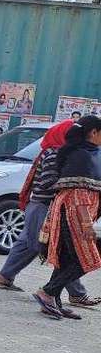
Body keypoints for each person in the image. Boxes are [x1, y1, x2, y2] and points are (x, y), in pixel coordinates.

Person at [0, 119, 99, 306]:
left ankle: (5, 276)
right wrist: (68, 189)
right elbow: (50, 183)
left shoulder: (55, 151)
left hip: (42, 206)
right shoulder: (57, 153)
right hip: (45, 207)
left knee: (29, 245)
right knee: (62, 252)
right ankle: (71, 293)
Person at [33, 116, 101, 319]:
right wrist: (87, 223)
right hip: (74, 214)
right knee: (87, 259)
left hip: (73, 213)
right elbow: (78, 192)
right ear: (93, 132)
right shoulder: (82, 155)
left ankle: (54, 302)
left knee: (66, 258)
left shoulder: (87, 152)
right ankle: (47, 292)